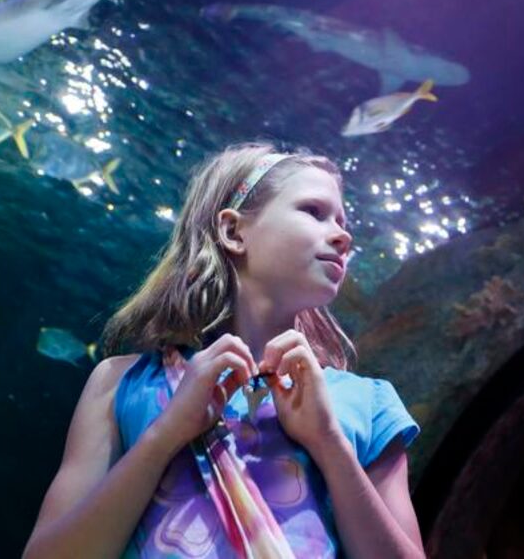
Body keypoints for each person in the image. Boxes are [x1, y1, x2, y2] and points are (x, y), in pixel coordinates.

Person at [22, 142, 426, 559]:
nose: (344, 236)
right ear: (233, 231)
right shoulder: (119, 382)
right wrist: (166, 433)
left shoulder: (372, 404)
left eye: (343, 222)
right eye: (313, 211)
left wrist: (329, 442)